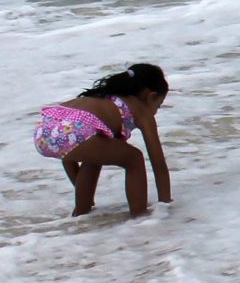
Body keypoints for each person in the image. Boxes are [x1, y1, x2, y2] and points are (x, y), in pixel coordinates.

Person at [32, 63, 172, 217]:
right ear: (150, 96)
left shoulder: (101, 97)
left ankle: (81, 214)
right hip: (74, 132)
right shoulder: (141, 110)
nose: (155, 112)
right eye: (158, 106)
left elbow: (67, 153)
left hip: (45, 130)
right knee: (134, 158)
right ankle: (139, 217)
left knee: (95, 156)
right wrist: (165, 205)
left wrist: (82, 191)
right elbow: (158, 164)